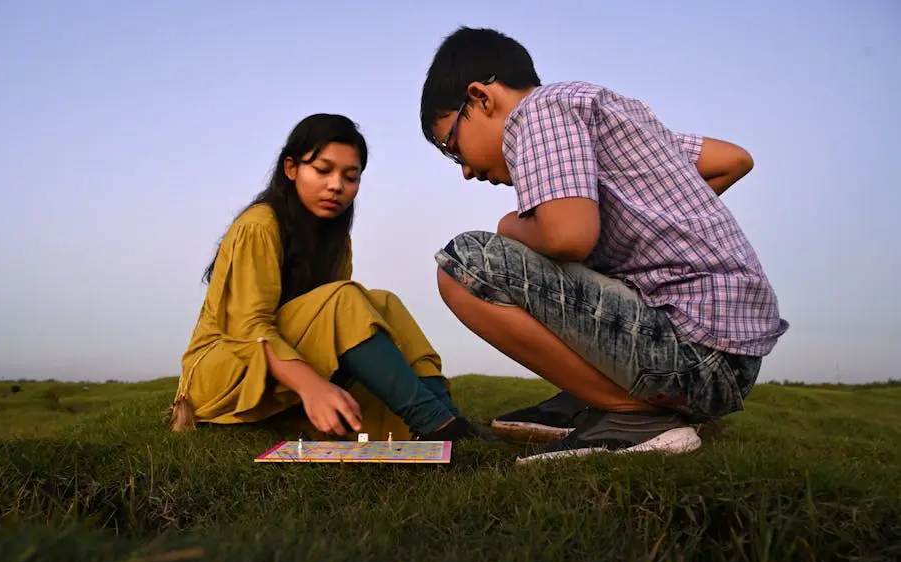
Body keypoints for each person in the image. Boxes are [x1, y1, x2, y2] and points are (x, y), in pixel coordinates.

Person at [418, 27, 789, 462]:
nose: (464, 170)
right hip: (728, 359)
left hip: (690, 353)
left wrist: (510, 226)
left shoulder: (537, 113)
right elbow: (732, 160)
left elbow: (567, 236)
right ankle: (608, 400)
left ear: (481, 98)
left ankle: (631, 417)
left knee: (464, 265)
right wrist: (648, 228)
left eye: (452, 146)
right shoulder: (603, 113)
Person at [169, 113, 492, 442]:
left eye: (350, 177)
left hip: (279, 364)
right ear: (291, 168)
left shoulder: (337, 240)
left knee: (384, 303)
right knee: (344, 299)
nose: (336, 185)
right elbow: (246, 328)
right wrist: (311, 385)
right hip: (219, 373)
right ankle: (432, 421)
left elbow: (330, 331)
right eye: (322, 170)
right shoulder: (260, 225)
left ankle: (448, 419)